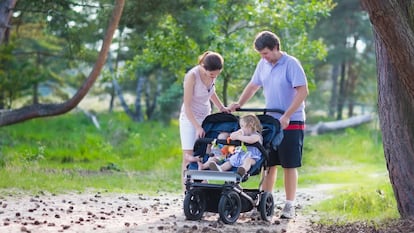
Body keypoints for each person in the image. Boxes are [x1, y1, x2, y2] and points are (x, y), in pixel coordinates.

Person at [229, 31, 308, 219]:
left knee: (289, 164)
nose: (263, 57)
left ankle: (289, 205)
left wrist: (287, 115)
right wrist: (239, 103)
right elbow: (253, 85)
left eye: (265, 53)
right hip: (271, 122)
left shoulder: (291, 64)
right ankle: (265, 203)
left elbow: (303, 92)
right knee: (268, 163)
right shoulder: (263, 64)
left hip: (291, 121)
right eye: (260, 54)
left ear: (275, 48)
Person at [179, 51, 229, 190]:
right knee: (189, 156)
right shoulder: (192, 76)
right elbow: (187, 105)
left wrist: (221, 107)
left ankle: (203, 189)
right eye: (211, 74)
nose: (214, 76)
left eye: (216, 74)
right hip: (190, 118)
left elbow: (211, 93)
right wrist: (197, 127)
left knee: (205, 152)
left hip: (206, 116)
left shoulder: (212, 74)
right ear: (203, 66)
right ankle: (187, 192)